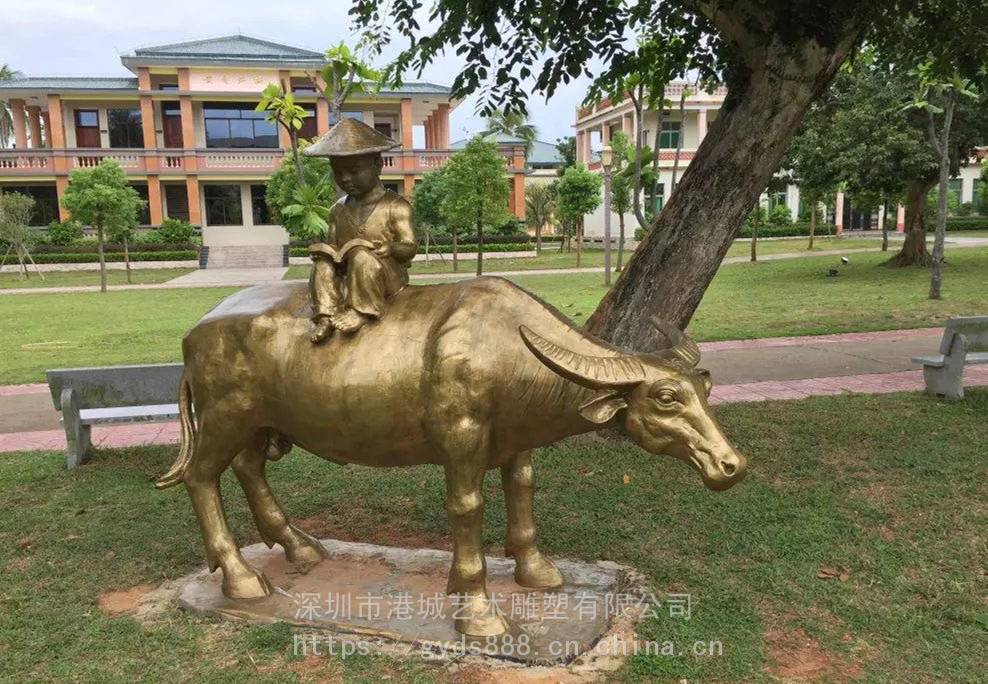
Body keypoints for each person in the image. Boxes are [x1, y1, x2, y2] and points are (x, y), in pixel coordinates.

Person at [303, 118, 417, 342]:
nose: (345, 179)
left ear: (377, 165)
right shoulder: (337, 209)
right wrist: (325, 253)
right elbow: (334, 246)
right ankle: (325, 314)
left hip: (385, 275)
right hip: (347, 276)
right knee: (323, 264)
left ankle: (361, 311)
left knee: (361, 257)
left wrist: (392, 248)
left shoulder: (395, 206)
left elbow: (410, 247)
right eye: (338, 173)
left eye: (354, 171)